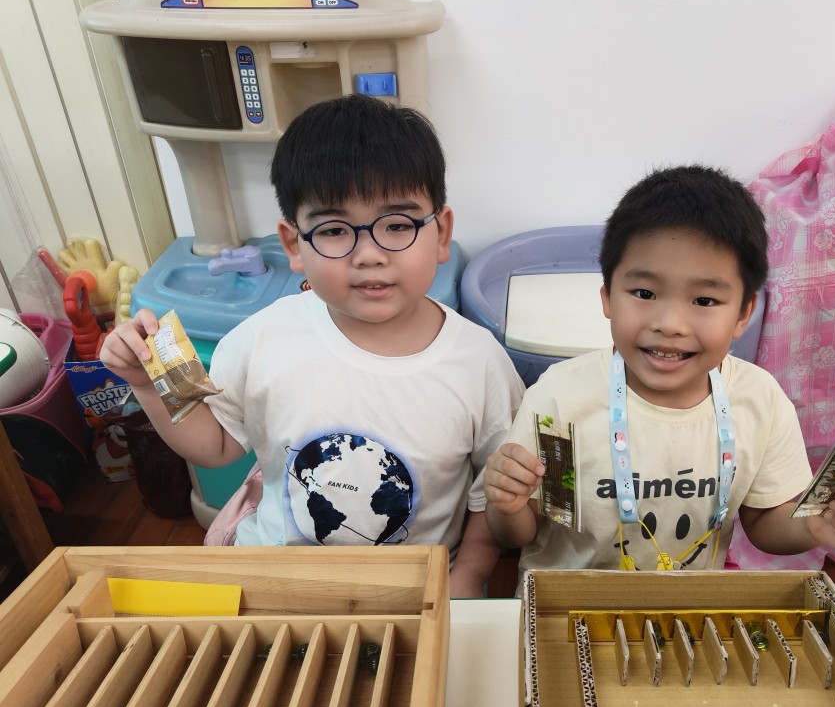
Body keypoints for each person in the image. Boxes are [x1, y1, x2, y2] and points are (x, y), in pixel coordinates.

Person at [101, 95, 524, 597]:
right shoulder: (264, 336)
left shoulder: (479, 362)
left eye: (397, 225)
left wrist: (468, 576)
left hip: (412, 589)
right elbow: (214, 447)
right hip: (277, 575)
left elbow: (488, 494)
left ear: (441, 233)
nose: (369, 254)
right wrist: (147, 381)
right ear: (293, 245)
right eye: (334, 230)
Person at [484, 164, 835, 577]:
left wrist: (815, 526)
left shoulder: (759, 401)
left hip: (688, 607)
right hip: (565, 602)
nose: (670, 324)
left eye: (704, 301)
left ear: (743, 313)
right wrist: (507, 505)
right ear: (607, 297)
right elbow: (524, 532)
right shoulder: (560, 402)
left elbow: (765, 524)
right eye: (644, 293)